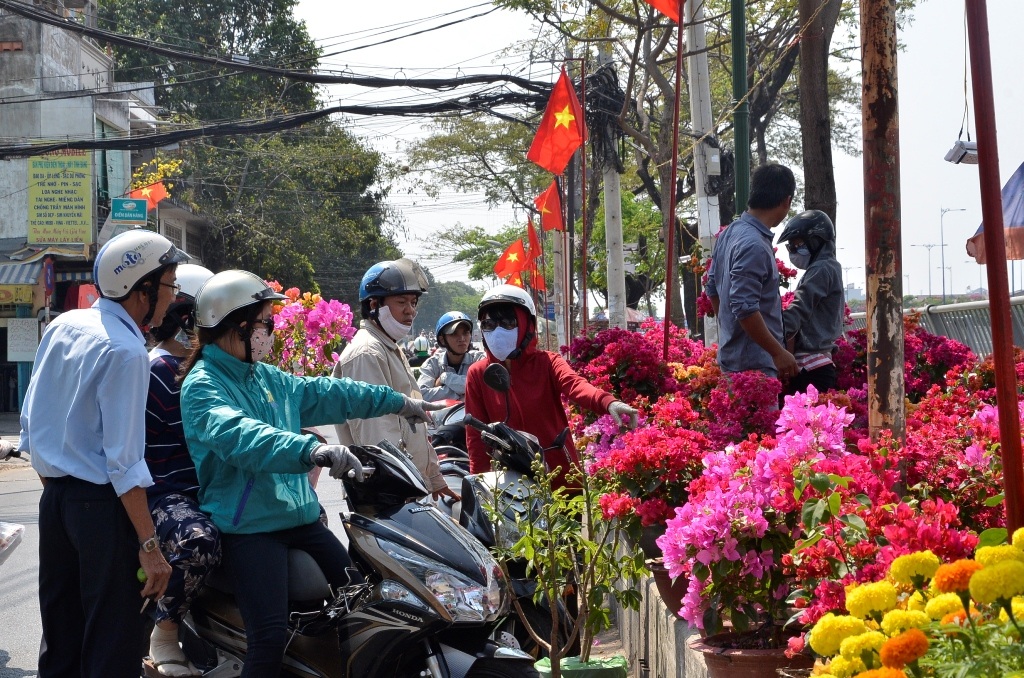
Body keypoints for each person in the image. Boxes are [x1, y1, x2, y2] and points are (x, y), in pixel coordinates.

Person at [179, 270, 442, 676]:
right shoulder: (204, 385)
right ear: (237, 326)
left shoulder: (265, 377)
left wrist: (398, 402)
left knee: (363, 608)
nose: (271, 332)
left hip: (299, 520)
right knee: (268, 638)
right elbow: (241, 436)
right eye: (266, 322)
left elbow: (329, 393)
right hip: (249, 527)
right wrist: (312, 450)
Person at [21, 229, 184, 677]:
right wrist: (150, 546)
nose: (172, 298)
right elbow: (126, 464)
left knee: (62, 639)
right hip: (102, 510)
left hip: (54, 503)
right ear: (142, 289)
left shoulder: (64, 325)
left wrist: (65, 493)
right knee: (113, 644)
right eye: (169, 285)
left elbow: (33, 427)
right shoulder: (128, 350)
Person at [464, 285, 638, 484]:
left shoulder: (548, 362)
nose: (497, 331)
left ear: (527, 324)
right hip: (512, 482)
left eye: (507, 322)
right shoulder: (478, 374)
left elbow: (576, 385)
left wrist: (608, 402)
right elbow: (476, 437)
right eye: (489, 324)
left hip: (558, 472)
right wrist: (479, 484)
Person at [143, 263, 217, 677]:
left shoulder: (211, 369)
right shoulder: (160, 369)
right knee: (199, 541)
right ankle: (165, 630)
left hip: (209, 485)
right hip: (168, 492)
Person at [333, 259, 457, 500]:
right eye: (401, 302)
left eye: (413, 302)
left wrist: (434, 480)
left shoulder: (390, 348)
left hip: (408, 487)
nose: (410, 310)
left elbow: (415, 426)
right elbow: (377, 439)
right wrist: (402, 494)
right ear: (373, 305)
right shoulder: (367, 353)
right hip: (388, 493)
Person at [706, 162, 799, 380]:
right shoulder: (754, 244)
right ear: (787, 201)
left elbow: (712, 289)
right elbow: (744, 307)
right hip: (754, 369)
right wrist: (778, 352)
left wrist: (731, 332)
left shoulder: (730, 233)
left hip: (733, 363)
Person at [777, 210, 846, 396]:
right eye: (790, 246)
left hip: (812, 370)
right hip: (816, 365)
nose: (793, 251)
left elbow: (799, 309)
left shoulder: (822, 269)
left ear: (816, 240)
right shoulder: (826, 267)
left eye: (797, 244)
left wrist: (771, 332)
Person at [417, 311, 485, 402]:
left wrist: (446, 377)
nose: (462, 339)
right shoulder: (432, 364)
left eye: (465, 333)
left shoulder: (479, 359)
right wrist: (462, 393)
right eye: (454, 334)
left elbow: (485, 386)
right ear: (442, 340)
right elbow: (422, 395)